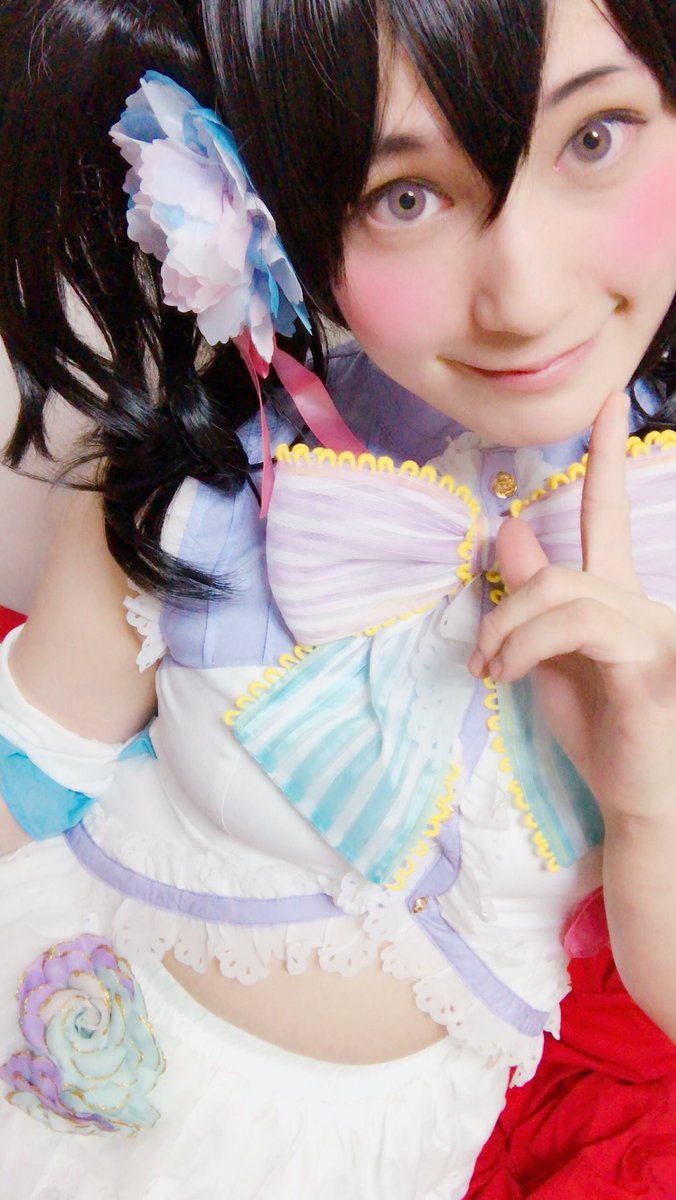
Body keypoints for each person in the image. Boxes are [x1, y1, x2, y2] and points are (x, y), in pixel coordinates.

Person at [0, 0, 674, 1196]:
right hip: (43, 1032)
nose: (521, 295)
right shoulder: (202, 471)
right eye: (403, 196)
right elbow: (29, 764)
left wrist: (651, 802)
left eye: (592, 137)